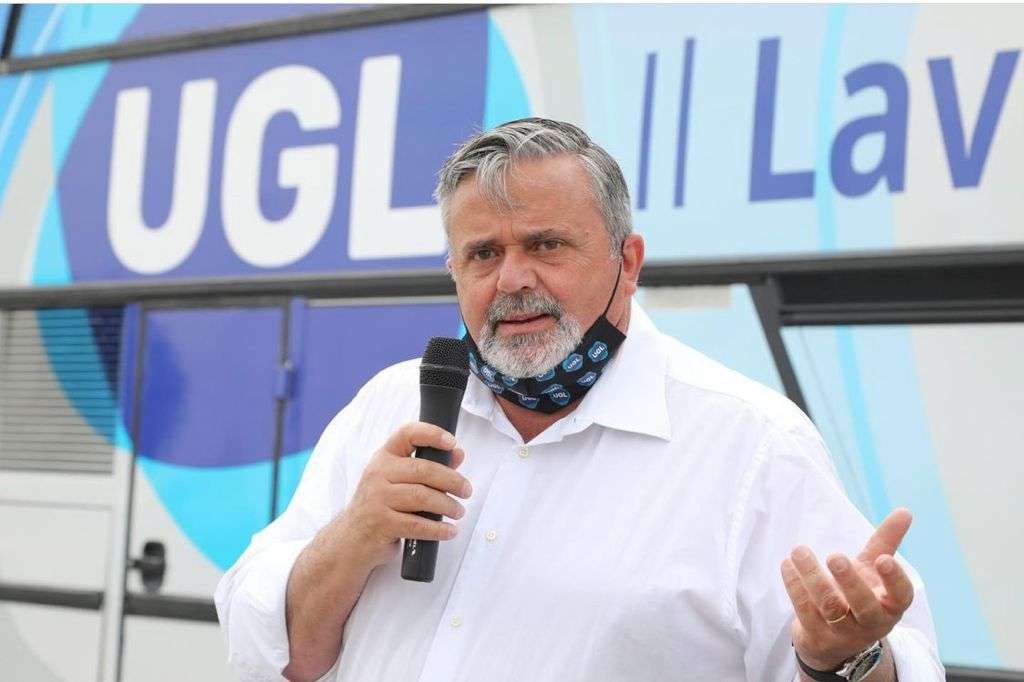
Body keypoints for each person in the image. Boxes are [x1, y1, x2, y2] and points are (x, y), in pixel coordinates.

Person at [215, 118, 943, 682]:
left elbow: (876, 656)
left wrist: (846, 657)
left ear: (628, 261)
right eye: (483, 253)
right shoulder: (391, 405)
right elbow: (270, 651)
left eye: (547, 245)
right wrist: (352, 538)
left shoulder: (752, 446)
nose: (511, 280)